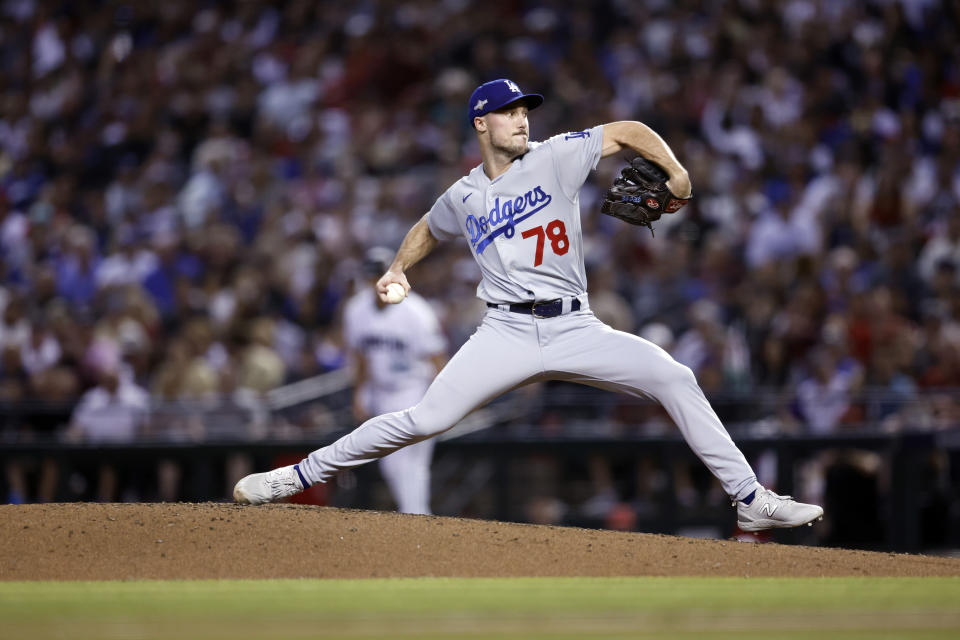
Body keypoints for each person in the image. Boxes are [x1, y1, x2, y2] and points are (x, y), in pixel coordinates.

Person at [235, 78, 824, 532]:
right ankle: (298, 475)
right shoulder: (463, 195)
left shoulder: (554, 156)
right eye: (510, 112)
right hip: (505, 333)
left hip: (576, 326)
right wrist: (396, 268)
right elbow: (427, 228)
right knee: (425, 421)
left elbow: (625, 130)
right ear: (480, 123)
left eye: (524, 111)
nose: (522, 120)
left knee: (675, 377)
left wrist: (674, 169)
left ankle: (750, 501)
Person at [341, 247, 447, 514]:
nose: (377, 281)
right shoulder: (356, 310)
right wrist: (359, 395)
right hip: (379, 392)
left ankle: (416, 517)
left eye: (381, 274)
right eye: (372, 276)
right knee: (394, 463)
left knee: (408, 461)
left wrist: (445, 400)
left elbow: (437, 360)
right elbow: (361, 357)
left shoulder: (417, 312)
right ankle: (417, 518)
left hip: (414, 389)